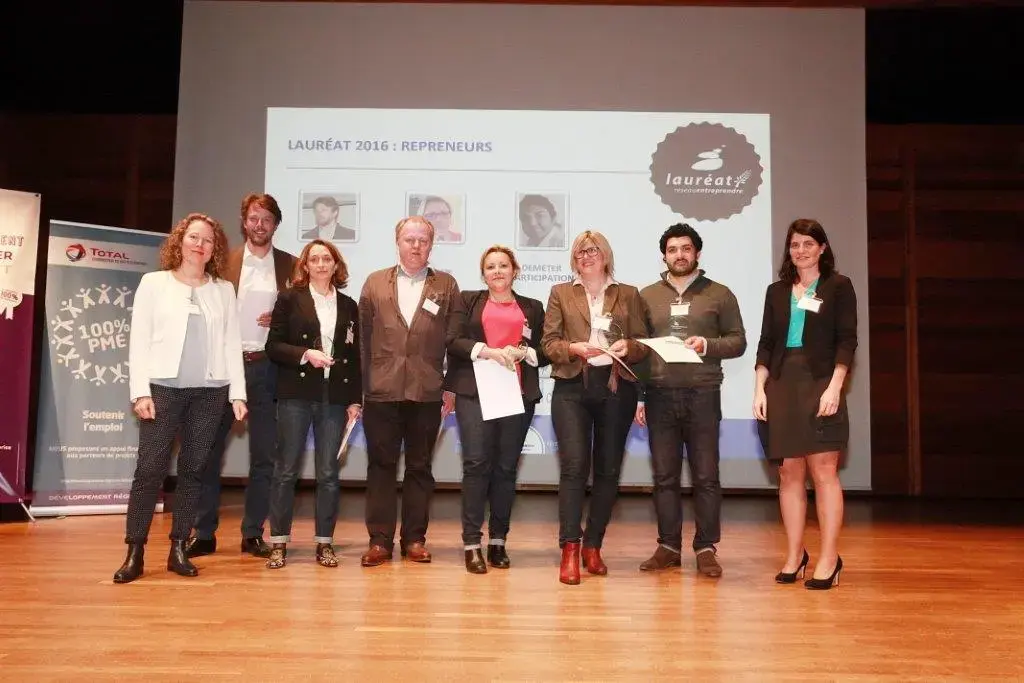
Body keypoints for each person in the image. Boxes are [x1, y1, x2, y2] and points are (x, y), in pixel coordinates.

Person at [114, 213, 247, 584]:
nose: (199, 244)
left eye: (207, 240)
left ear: (213, 250)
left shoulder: (223, 289)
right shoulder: (153, 284)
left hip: (210, 392)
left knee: (193, 471)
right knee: (149, 469)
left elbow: (231, 343)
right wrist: (139, 390)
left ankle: (178, 547)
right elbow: (138, 340)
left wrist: (237, 392)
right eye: (193, 237)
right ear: (180, 241)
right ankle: (134, 551)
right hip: (162, 389)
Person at [635, 223, 746, 578]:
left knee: (706, 476)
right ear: (664, 255)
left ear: (697, 253)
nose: (679, 255)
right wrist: (639, 397)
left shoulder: (720, 294)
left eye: (685, 248)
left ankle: (706, 548)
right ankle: (668, 546)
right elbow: (638, 348)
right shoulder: (646, 295)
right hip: (659, 395)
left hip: (702, 393)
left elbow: (738, 341)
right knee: (664, 476)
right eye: (672, 249)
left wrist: (708, 345)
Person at [753, 218, 857, 590]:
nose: (801, 251)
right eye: (795, 245)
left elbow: (847, 341)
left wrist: (835, 387)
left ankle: (830, 558)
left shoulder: (838, 286)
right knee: (789, 474)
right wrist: (759, 388)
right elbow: (766, 343)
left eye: (808, 244)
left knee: (824, 471)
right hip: (782, 384)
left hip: (821, 382)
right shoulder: (776, 291)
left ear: (822, 248)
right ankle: (796, 555)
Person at [190, 193, 295, 560]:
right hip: (222, 366)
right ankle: (204, 532)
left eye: (267, 218)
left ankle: (253, 533)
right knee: (207, 452)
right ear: (243, 222)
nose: (260, 224)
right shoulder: (222, 263)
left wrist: (280, 321)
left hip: (267, 368)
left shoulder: (292, 267)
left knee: (265, 456)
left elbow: (304, 323)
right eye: (253, 218)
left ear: (276, 225)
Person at [541, 230, 648, 585]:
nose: (586, 257)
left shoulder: (628, 294)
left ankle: (593, 545)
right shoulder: (560, 293)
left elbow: (643, 345)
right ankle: (570, 548)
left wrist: (626, 346)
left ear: (605, 255)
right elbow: (548, 343)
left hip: (616, 388)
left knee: (607, 470)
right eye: (579, 253)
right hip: (572, 386)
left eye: (593, 251)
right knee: (574, 468)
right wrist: (573, 348)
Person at [357, 215, 463, 567]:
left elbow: (455, 341)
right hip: (381, 391)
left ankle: (415, 539)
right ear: (397, 242)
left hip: (427, 391)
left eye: (422, 240)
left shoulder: (446, 285)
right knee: (381, 466)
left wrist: (449, 388)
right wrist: (361, 390)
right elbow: (362, 341)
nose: (415, 245)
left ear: (431, 245)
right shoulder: (373, 283)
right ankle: (379, 541)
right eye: (409, 239)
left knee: (419, 467)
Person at [445, 245, 547, 573]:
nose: (498, 271)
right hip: (475, 394)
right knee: (476, 465)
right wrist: (487, 351)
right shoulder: (468, 300)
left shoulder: (533, 307)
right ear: (483, 273)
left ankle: (498, 541)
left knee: (505, 469)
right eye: (491, 267)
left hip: (517, 395)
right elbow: (453, 340)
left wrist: (524, 353)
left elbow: (545, 350)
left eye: (504, 265)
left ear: (515, 270)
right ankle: (472, 542)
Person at [264, 240, 362, 569]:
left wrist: (354, 400)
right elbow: (274, 346)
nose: (321, 264)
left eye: (327, 259)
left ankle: (324, 543)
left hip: (334, 399)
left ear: (336, 265)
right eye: (314, 259)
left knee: (329, 473)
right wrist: (305, 355)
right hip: (296, 394)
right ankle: (278, 541)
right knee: (286, 470)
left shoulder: (349, 305)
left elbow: (353, 356)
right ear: (305, 266)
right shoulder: (289, 299)